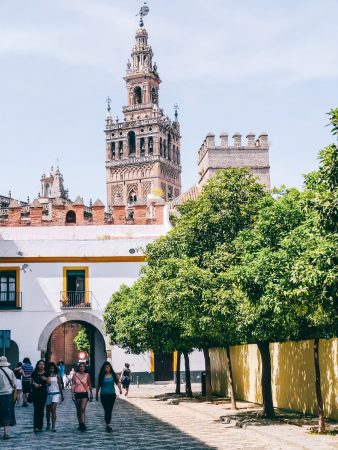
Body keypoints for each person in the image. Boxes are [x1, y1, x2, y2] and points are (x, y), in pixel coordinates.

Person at [96, 361, 122, 433]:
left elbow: (117, 383)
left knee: (109, 410)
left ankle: (108, 423)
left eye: (108, 367)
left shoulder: (113, 375)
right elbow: (98, 385)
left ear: (110, 368)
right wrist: (96, 394)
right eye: (105, 367)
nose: (106, 369)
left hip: (112, 394)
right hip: (104, 395)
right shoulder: (101, 375)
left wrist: (120, 389)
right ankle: (108, 424)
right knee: (106, 410)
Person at [71, 362, 93, 432]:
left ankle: (83, 424)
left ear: (85, 367)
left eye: (83, 366)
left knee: (83, 408)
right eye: (80, 366)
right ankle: (80, 423)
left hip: (84, 393)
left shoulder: (87, 375)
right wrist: (72, 394)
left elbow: (89, 384)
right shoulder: (75, 375)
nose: (82, 367)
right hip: (77, 393)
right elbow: (73, 385)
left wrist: (91, 393)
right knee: (78, 410)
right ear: (78, 367)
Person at [0, 356, 16, 440]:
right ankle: (6, 433)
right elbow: (14, 384)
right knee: (7, 413)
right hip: (8, 394)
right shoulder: (10, 371)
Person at [46, 362, 63, 432]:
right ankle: (48, 424)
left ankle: (53, 426)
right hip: (48, 394)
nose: (51, 369)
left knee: (53, 409)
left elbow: (59, 386)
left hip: (56, 393)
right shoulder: (46, 376)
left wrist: (62, 395)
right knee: (47, 411)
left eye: (52, 368)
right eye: (50, 368)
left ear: (54, 369)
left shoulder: (57, 376)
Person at [31, 360, 48, 432]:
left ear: (44, 366)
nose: (41, 366)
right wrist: (34, 384)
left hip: (43, 393)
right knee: (36, 410)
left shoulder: (46, 373)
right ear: (38, 365)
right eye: (40, 364)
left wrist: (45, 379)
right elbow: (31, 381)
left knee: (41, 410)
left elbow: (49, 382)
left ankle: (40, 426)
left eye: (43, 364)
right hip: (35, 393)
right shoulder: (34, 373)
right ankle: (35, 426)